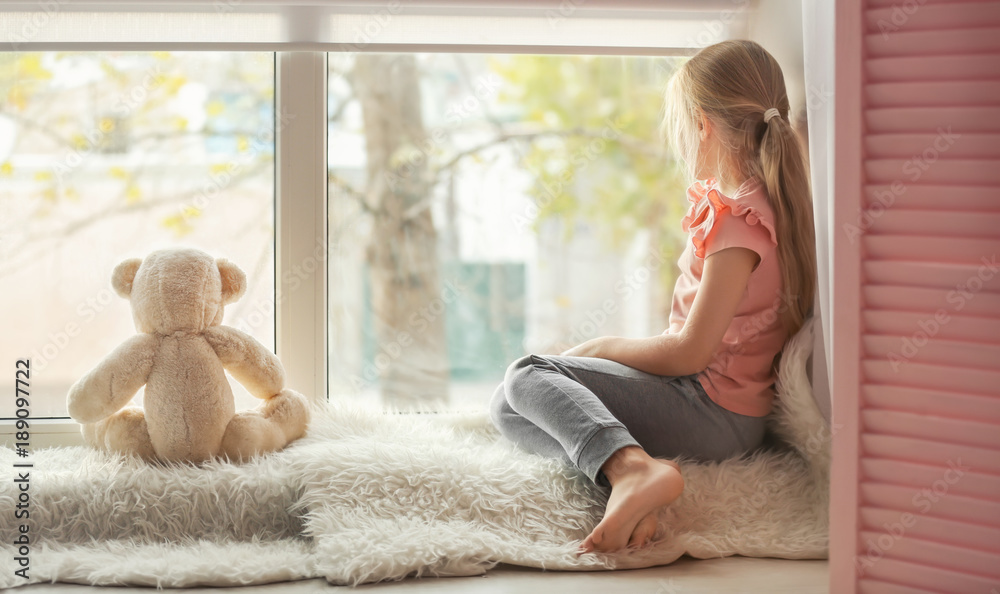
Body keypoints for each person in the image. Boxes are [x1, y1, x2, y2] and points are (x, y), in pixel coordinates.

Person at [489, 39, 816, 554]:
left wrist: (602, 347)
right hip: (718, 410)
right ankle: (635, 485)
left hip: (712, 412)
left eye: (682, 127)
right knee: (510, 407)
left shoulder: (739, 222)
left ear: (702, 125)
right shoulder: (768, 205)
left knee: (528, 375)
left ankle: (632, 470)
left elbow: (690, 352)